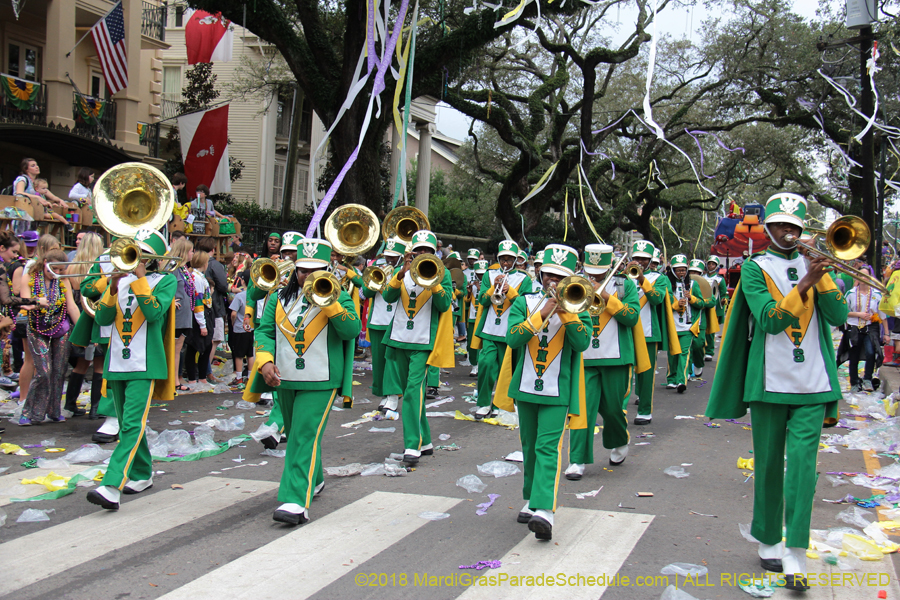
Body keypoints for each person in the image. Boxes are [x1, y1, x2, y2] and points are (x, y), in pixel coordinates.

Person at [706, 193, 848, 591]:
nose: (789, 232)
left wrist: (823, 277)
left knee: (803, 467)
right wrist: (804, 282)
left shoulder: (816, 267)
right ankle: (768, 537)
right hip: (768, 381)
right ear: (767, 228)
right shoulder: (755, 269)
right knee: (768, 464)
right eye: (781, 225)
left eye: (795, 226)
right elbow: (769, 321)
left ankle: (795, 552)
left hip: (814, 384)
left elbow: (838, 316)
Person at [251, 237, 360, 525]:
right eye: (302, 270)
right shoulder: (278, 297)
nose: (307, 277)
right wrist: (264, 362)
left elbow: (351, 331)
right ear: (294, 270)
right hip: (284, 379)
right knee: (303, 434)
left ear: (328, 269)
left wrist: (331, 303)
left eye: (315, 271)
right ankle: (317, 477)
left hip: (321, 380)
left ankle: (295, 500)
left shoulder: (340, 296)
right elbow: (263, 332)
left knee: (301, 435)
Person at [498, 243, 591, 541]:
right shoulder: (524, 302)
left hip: (558, 390)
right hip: (525, 386)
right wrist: (542, 314)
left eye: (559, 277)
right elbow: (513, 339)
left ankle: (545, 511)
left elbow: (582, 343)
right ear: (539, 273)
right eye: (549, 274)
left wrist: (567, 314)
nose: (553, 281)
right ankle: (532, 498)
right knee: (529, 446)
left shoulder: (580, 306)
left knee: (547, 447)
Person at [87, 229, 176, 510]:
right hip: (117, 363)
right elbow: (101, 318)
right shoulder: (119, 281)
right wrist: (112, 288)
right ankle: (141, 472)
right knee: (130, 424)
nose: (133, 258)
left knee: (131, 424)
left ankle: (112, 484)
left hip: (144, 364)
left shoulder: (165, 281)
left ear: (151, 258)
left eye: (140, 253)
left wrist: (138, 280)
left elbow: (153, 314)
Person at [566, 244, 643, 481]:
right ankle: (577, 459)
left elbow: (631, 318)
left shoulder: (625, 285)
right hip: (585, 358)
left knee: (612, 409)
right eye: (590, 270)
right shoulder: (576, 283)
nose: (594, 276)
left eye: (598, 271)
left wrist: (607, 297)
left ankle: (620, 440)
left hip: (616, 358)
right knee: (582, 411)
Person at [381, 230, 454, 466]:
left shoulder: (442, 275)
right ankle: (426, 441)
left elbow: (444, 305)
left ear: (435, 254)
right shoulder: (400, 272)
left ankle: (412, 444)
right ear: (411, 253)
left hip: (423, 342)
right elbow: (389, 297)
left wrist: (433, 282)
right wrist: (400, 275)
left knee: (413, 392)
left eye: (427, 251)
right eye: (418, 251)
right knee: (411, 393)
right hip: (399, 338)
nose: (422, 254)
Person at [473, 240, 533, 419]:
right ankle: (483, 403)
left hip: (511, 332)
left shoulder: (524, 279)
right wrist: (494, 287)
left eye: (509, 259)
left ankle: (500, 403)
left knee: (508, 370)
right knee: (485, 364)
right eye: (503, 259)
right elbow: (482, 301)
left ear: (516, 260)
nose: (506, 263)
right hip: (490, 330)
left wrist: (511, 291)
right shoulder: (489, 275)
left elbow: (527, 306)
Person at [19, 249, 80, 425]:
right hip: (37, 328)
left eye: (62, 270)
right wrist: (37, 302)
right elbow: (24, 302)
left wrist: (83, 331)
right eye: (55, 269)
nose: (58, 273)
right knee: (43, 372)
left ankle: (54, 411)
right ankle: (30, 413)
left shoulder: (63, 281)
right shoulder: (29, 277)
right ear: (45, 262)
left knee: (59, 371)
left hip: (61, 328)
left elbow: (72, 307)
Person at [628, 241, 678, 426]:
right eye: (637, 258)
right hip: (624, 330)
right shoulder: (623, 277)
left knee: (646, 373)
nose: (640, 261)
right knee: (625, 373)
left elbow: (657, 299)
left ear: (650, 261)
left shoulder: (660, 278)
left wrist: (642, 280)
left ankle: (645, 411)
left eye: (644, 259)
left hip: (648, 332)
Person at [62, 231, 103, 416]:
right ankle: (96, 408)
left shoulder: (71, 267)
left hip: (78, 316)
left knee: (81, 364)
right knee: (99, 364)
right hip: (96, 315)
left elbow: (71, 300)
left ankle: (70, 404)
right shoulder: (101, 268)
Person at [363, 237, 404, 413]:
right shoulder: (377, 269)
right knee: (379, 362)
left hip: (396, 321)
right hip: (377, 321)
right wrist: (375, 280)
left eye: (393, 257)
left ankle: (392, 395)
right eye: (388, 256)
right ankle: (383, 394)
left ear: (401, 257)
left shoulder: (405, 272)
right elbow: (366, 293)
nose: (389, 260)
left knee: (391, 361)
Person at [839, 268, 884, 392]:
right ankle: (854, 382)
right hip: (854, 328)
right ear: (857, 277)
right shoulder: (851, 293)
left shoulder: (876, 294)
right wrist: (858, 314)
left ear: (870, 277)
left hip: (870, 328)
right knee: (854, 355)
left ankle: (867, 379)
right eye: (861, 275)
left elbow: (883, 315)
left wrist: (885, 332)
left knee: (870, 353)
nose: (863, 278)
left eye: (866, 275)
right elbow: (844, 312)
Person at [665, 255, 703, 393]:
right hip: (672, 325)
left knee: (684, 353)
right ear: (673, 270)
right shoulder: (667, 284)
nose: (681, 273)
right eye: (678, 270)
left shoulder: (693, 285)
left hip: (687, 326)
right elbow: (664, 304)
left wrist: (691, 298)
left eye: (683, 270)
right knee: (672, 354)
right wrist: (676, 304)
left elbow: (702, 303)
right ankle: (671, 379)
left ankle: (681, 381)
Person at [196, 237, 228, 381]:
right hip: (214, 306)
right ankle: (206, 371)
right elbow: (223, 285)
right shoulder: (214, 264)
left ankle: (202, 371)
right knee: (214, 341)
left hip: (199, 307)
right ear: (213, 250)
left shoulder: (194, 264)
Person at [169, 238, 195, 392]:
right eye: (191, 251)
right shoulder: (173, 269)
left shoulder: (184, 269)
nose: (193, 254)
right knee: (173, 349)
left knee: (178, 349)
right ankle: (171, 382)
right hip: (177, 316)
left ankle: (175, 380)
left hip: (185, 315)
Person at [687, 258, 718, 379]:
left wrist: (700, 302)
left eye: (697, 272)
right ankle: (688, 371)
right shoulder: (683, 283)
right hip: (686, 318)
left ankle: (699, 364)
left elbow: (712, 301)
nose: (694, 275)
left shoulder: (706, 284)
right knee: (688, 346)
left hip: (700, 319)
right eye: (691, 272)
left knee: (699, 344)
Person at [185, 251, 212, 385]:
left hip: (202, 314)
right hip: (200, 315)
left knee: (200, 347)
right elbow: (198, 301)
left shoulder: (197, 277)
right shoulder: (197, 279)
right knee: (198, 347)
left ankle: (198, 377)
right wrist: (202, 325)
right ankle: (196, 378)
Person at [703, 256, 728, 360]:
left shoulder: (720, 279)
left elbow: (724, 294)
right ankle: (701, 349)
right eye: (709, 264)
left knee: (710, 330)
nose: (710, 266)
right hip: (703, 306)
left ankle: (709, 351)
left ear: (716, 266)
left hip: (714, 308)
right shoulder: (702, 277)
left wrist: (724, 300)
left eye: (713, 264)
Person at [228, 286, 254, 386]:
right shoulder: (255, 295)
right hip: (252, 327)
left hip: (240, 328)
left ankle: (239, 377)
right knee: (250, 354)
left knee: (238, 354)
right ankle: (249, 377)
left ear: (243, 281)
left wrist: (233, 324)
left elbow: (233, 313)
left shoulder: (239, 296)